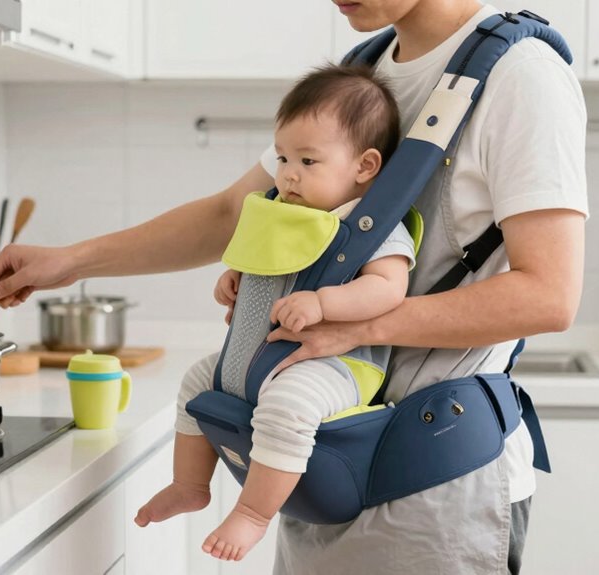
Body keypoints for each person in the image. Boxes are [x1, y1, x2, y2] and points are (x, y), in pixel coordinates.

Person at [0, 1, 587, 572]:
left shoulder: (520, 78)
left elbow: (548, 296)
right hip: (313, 468)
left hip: (433, 486)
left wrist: (358, 322)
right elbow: (231, 214)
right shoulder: (361, 73)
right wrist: (72, 261)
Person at [133, 64, 414, 562]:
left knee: (287, 409)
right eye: (283, 156)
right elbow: (259, 264)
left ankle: (253, 514)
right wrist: (235, 278)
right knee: (196, 382)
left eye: (308, 160)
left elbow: (388, 289)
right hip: (252, 356)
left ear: (364, 166)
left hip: (339, 368)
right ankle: (190, 483)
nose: (287, 173)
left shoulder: (371, 227)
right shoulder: (277, 211)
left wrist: (325, 303)